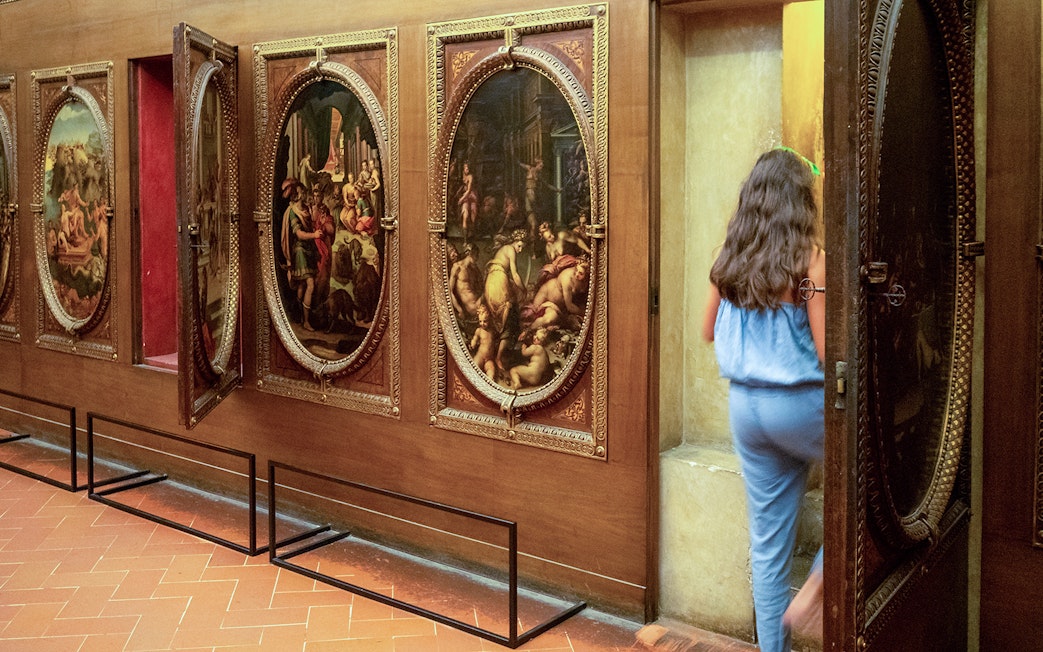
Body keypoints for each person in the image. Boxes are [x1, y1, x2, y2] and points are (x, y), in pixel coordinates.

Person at [701, 148, 825, 652]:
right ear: (801, 202)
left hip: (745, 411)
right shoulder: (810, 262)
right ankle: (816, 588)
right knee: (872, 491)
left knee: (768, 550)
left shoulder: (728, 261)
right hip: (802, 409)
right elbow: (828, 351)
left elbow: (706, 331)